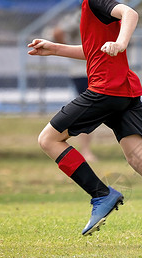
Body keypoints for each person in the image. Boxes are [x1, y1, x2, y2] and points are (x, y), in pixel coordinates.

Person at [28, 0, 142, 247]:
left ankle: (101, 194)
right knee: (141, 160)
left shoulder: (95, 1)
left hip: (105, 90)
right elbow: (95, 50)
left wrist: (121, 43)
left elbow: (130, 13)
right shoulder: (89, 7)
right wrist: (56, 48)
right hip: (125, 91)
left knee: (48, 139)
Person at [52, 8, 98, 163]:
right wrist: (68, 50)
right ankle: (85, 151)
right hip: (84, 71)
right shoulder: (81, 14)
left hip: (94, 70)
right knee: (88, 113)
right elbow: (58, 32)